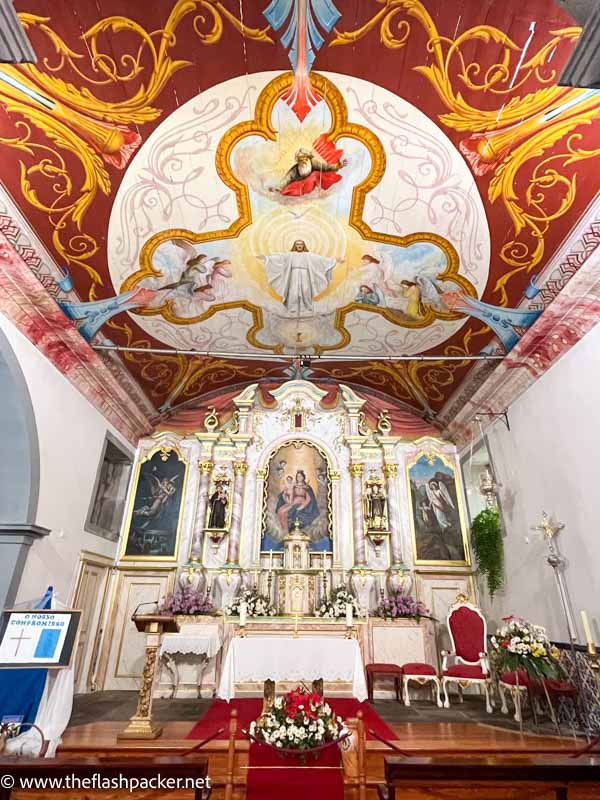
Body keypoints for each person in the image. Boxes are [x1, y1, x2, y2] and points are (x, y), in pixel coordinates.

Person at [260, 240, 338, 316]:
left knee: (306, 290)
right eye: (297, 244)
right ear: (295, 245)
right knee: (293, 291)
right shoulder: (290, 255)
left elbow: (321, 260)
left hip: (305, 275)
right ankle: (292, 307)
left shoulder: (308, 255)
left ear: (303, 245)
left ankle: (307, 306)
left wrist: (334, 260)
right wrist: (266, 258)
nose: (299, 246)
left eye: (301, 244)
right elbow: (279, 258)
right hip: (294, 274)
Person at [273, 147, 346, 197]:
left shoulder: (313, 162)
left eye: (304, 158)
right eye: (300, 159)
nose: (303, 161)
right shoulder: (295, 169)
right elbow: (287, 178)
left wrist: (336, 166)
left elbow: (324, 167)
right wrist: (279, 187)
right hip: (301, 187)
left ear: (308, 157)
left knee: (315, 175)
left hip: (312, 185)